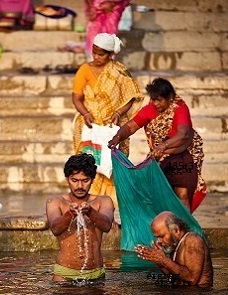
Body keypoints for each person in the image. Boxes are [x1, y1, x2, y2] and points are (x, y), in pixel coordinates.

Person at [108, 77, 206, 212]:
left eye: (159, 99)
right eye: (153, 99)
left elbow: (183, 133)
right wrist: (118, 137)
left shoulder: (180, 108)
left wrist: (163, 146)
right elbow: (130, 127)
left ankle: (185, 228)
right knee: (155, 195)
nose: (155, 103)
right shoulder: (149, 110)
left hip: (183, 155)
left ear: (170, 97)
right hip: (160, 156)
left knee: (182, 194)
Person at [72, 32, 144, 212]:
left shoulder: (119, 71)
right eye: (94, 52)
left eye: (101, 54)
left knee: (112, 167)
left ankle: (109, 210)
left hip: (112, 129)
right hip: (90, 127)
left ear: (111, 54)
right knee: (88, 165)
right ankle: (87, 208)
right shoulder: (84, 70)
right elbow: (77, 98)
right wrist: (86, 113)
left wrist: (119, 112)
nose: (96, 57)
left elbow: (131, 96)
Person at [46, 153, 114, 281]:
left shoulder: (103, 201)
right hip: (64, 274)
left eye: (85, 180)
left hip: (96, 273)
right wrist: (70, 213)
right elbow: (55, 228)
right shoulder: (55, 202)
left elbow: (106, 225)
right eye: (74, 180)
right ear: (67, 179)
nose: (80, 186)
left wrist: (90, 212)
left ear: (93, 179)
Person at [135, 211, 213, 286]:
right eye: (157, 237)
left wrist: (163, 260)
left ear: (176, 230)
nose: (159, 241)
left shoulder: (192, 241)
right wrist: (158, 261)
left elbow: (191, 279)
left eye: (161, 236)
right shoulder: (176, 245)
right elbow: (175, 276)